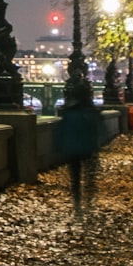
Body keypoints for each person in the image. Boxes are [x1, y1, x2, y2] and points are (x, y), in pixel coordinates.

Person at [54, 85, 106, 215]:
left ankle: (77, 202)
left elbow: (60, 132)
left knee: (75, 178)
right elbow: (101, 131)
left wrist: (59, 147)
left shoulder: (68, 113)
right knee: (90, 176)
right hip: (89, 148)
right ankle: (89, 200)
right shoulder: (91, 113)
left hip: (72, 149)